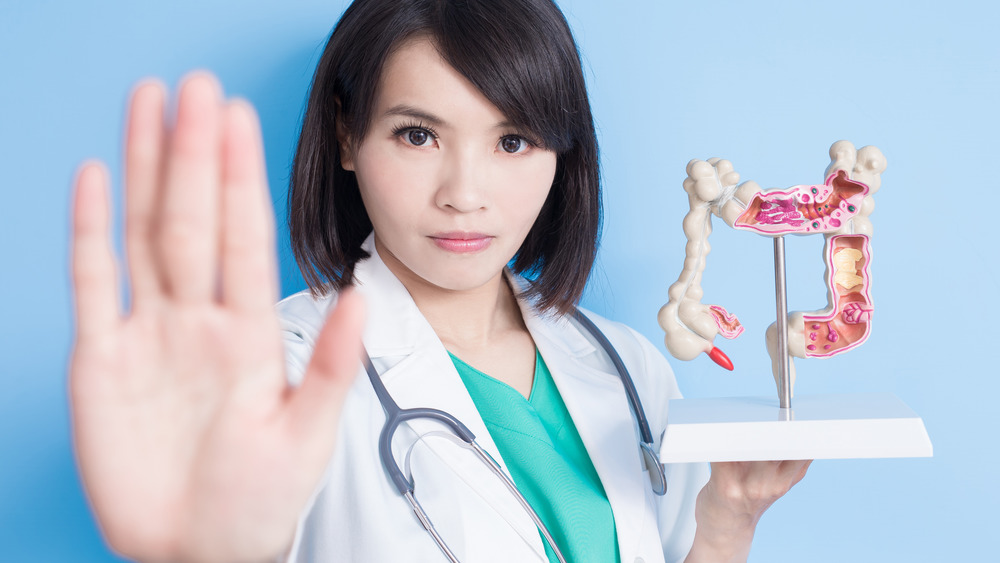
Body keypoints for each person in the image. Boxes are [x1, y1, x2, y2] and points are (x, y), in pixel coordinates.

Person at [69, 0, 811, 561]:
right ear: (346, 135)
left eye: (512, 140)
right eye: (417, 135)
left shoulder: (629, 367)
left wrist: (726, 521)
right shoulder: (274, 377)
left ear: (562, 152)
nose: (465, 191)